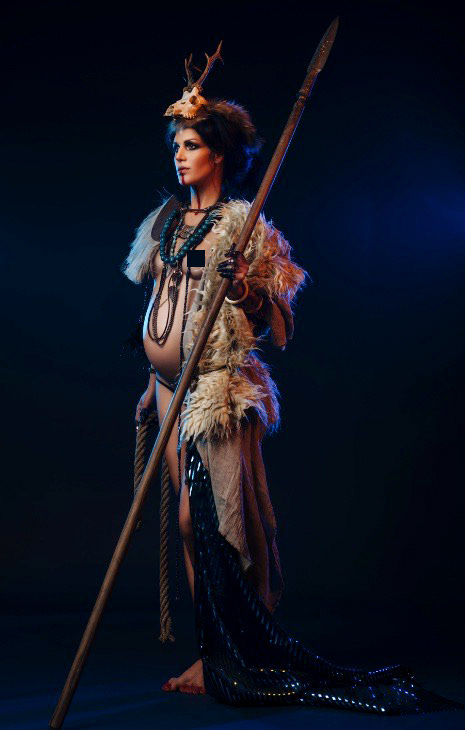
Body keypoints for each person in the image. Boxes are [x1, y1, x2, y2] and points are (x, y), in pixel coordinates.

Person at [121, 46, 463, 714]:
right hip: (166, 390)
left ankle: (239, 648)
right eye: (177, 146)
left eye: (193, 145)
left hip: (216, 388)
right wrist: (150, 378)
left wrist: (244, 288)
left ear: (220, 153)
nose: (180, 156)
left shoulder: (244, 226)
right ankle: (210, 648)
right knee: (189, 529)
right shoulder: (163, 223)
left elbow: (278, 322)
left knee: (215, 520)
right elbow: (160, 302)